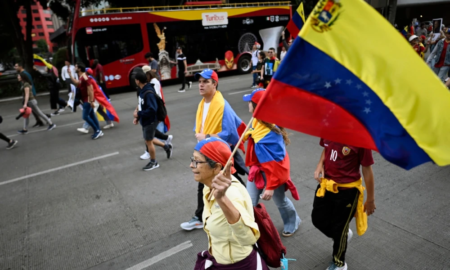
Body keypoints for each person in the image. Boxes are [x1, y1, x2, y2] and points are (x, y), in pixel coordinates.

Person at [180, 69, 248, 231]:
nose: (201, 85)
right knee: (228, 179)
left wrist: (207, 136)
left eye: (205, 82)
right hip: (207, 150)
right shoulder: (203, 103)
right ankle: (248, 201)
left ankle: (199, 216)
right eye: (200, 82)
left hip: (218, 152)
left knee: (211, 180)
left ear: (214, 84)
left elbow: (230, 133)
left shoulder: (221, 104)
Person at [191, 137, 268, 270]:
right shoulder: (209, 185)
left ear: (216, 167)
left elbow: (248, 238)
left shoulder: (231, 195)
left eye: (196, 161)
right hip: (218, 259)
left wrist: (222, 200)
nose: (191, 165)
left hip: (239, 265)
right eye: (192, 159)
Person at [242, 89, 301, 237]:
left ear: (257, 106)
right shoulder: (256, 121)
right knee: (250, 201)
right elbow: (249, 133)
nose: (247, 103)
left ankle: (293, 222)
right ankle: (250, 230)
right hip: (257, 170)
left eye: (250, 101)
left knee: (280, 202)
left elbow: (279, 164)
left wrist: (271, 186)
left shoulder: (270, 134)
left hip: (272, 175)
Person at [312, 139, 376, 270]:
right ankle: (342, 236)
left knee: (339, 229)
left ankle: (339, 264)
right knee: (317, 219)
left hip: (347, 192)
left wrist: (370, 200)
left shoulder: (360, 138)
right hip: (327, 185)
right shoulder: (328, 126)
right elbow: (326, 148)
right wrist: (320, 164)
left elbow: (367, 170)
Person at [140, 66, 173, 159]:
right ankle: (166, 140)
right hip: (151, 110)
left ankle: (151, 152)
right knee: (150, 133)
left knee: (148, 134)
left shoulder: (154, 82)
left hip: (154, 110)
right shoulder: (151, 82)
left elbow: (156, 97)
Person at [133, 70, 160, 171]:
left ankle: (154, 162)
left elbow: (152, 109)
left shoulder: (148, 92)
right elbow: (141, 106)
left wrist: (138, 114)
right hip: (146, 120)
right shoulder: (143, 90)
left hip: (150, 120)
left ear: (138, 81)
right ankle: (166, 146)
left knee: (149, 141)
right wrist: (138, 117)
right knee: (148, 140)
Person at [69, 63, 104, 139]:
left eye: (76, 66)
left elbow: (90, 89)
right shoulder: (81, 77)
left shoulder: (85, 77)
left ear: (79, 69)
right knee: (92, 116)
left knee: (85, 116)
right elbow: (77, 83)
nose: (74, 68)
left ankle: (97, 130)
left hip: (87, 100)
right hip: (85, 99)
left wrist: (91, 101)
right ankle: (99, 131)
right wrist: (70, 75)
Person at [14, 62, 44, 127]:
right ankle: (39, 121)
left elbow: (30, 84)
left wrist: (31, 94)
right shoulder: (22, 74)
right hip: (28, 94)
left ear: (21, 66)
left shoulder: (25, 74)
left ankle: (45, 119)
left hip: (30, 94)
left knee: (34, 110)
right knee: (33, 110)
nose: (15, 68)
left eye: (16, 66)